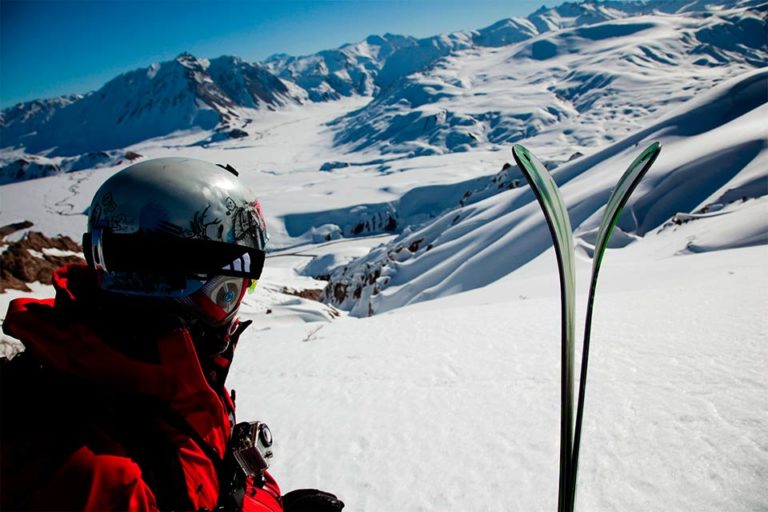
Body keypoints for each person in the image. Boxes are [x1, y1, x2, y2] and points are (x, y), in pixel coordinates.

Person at [1, 158, 344, 512]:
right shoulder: (97, 477)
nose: (237, 304)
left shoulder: (169, 377)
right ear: (189, 282)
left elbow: (206, 487)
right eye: (234, 287)